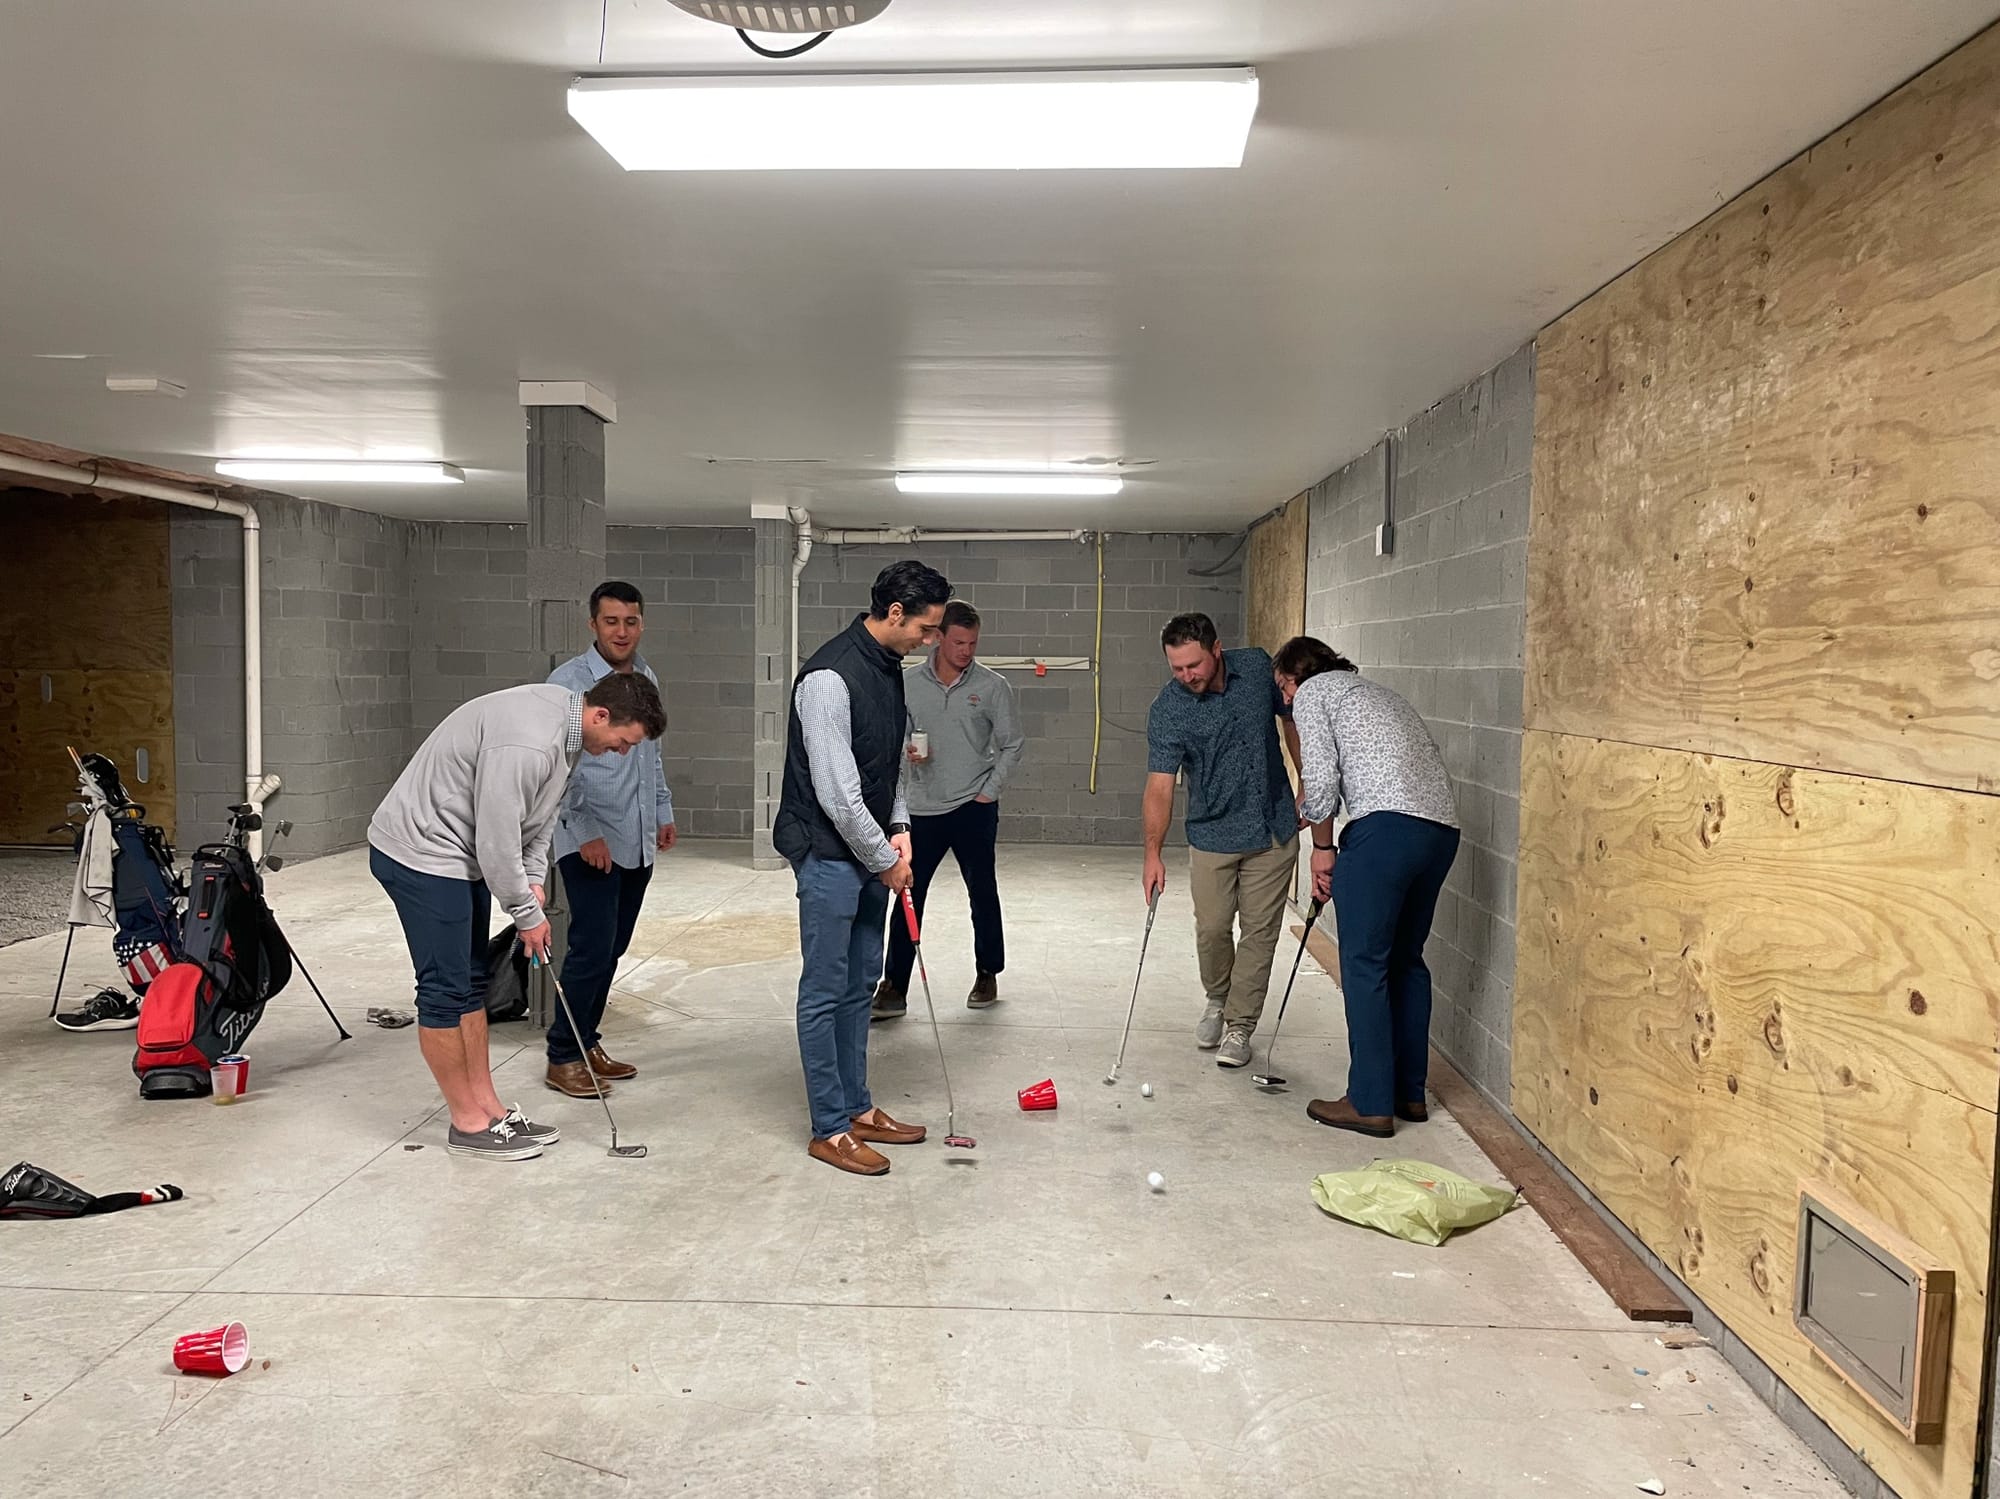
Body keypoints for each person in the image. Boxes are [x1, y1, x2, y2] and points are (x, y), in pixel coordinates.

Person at [369, 674, 667, 1161]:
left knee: (471, 982)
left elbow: (540, 818)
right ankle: (467, 1123)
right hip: (421, 853)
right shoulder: (530, 741)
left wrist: (531, 880)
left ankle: (489, 1109)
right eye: (623, 741)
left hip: (459, 853)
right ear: (601, 715)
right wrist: (527, 915)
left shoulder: (568, 730)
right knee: (444, 990)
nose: (621, 752)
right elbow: (496, 837)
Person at [775, 559, 952, 1176]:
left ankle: (857, 1107)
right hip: (827, 854)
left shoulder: (887, 667)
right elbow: (837, 793)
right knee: (825, 990)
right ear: (895, 613)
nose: (931, 640)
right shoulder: (830, 677)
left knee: (859, 985)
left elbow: (890, 764)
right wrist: (885, 861)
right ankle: (829, 1127)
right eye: (926, 629)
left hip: (872, 853)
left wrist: (900, 830)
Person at [1274, 635, 1460, 1138]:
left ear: (1294, 676)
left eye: (1284, 689)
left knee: (1364, 964)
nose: (1286, 701)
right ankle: (1408, 1094)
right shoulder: (1377, 694)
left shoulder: (1313, 693)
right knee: (1406, 961)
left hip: (1384, 832)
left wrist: (1322, 848)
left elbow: (1319, 778)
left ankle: (1369, 1102)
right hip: (1440, 833)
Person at [1141, 612, 1302, 1070]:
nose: (1186, 676)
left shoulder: (1256, 667)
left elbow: (1291, 721)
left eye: (1193, 665)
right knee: (1212, 928)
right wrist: (1152, 854)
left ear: (1217, 649)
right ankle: (1217, 999)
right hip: (1212, 831)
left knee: (1259, 933)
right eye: (1176, 668)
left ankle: (1240, 1026)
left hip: (1272, 828)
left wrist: (1307, 780)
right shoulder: (1169, 708)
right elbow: (1159, 786)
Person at [544, 582, 678, 1100]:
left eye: (631, 621)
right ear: (593, 625)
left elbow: (651, 754)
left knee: (614, 948)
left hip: (635, 836)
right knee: (592, 948)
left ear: (641, 624)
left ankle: (586, 1039)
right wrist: (585, 832)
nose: (622, 631)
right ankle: (563, 1055)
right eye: (611, 621)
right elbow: (557, 772)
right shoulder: (568, 684)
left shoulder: (646, 677)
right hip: (590, 841)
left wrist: (661, 810)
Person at [872, 599, 1024, 1020]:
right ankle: (894, 986)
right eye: (958, 642)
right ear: (938, 637)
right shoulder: (907, 683)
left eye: (973, 643)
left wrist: (989, 792)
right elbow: (895, 736)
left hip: (973, 806)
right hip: (921, 809)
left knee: (982, 892)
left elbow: (1013, 744)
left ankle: (988, 972)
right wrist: (908, 751)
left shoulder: (993, 687)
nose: (966, 651)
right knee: (908, 894)